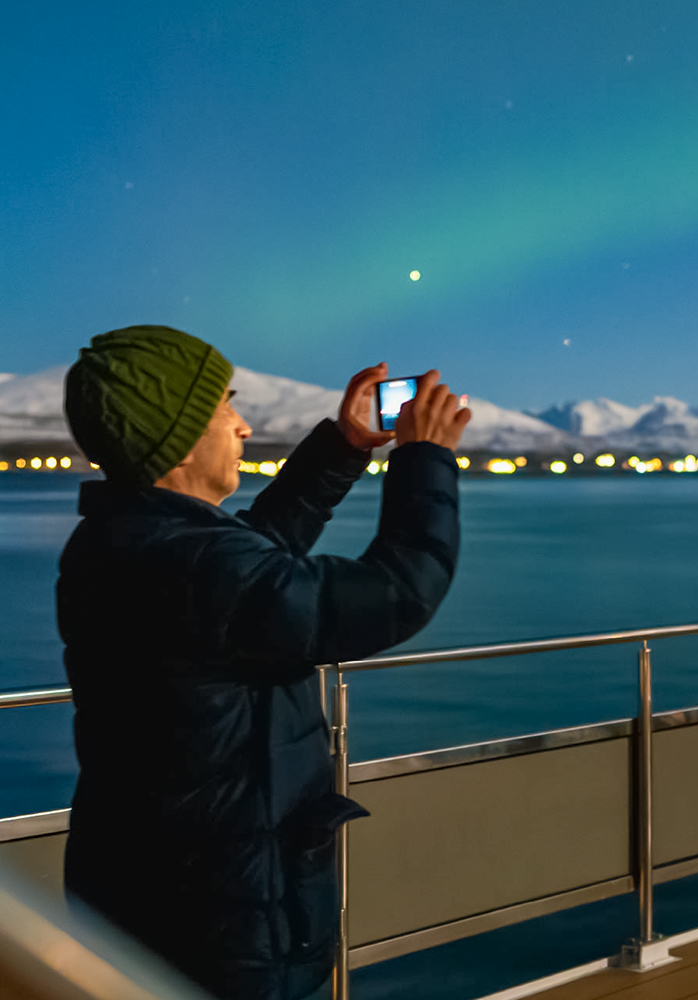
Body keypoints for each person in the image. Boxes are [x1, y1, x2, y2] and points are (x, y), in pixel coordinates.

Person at [56, 325, 472, 1000]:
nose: (244, 427)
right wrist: (423, 459)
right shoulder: (198, 563)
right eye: (226, 406)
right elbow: (395, 595)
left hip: (142, 884)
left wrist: (341, 450)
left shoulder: (119, 539)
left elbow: (254, 560)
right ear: (181, 433)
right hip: (225, 912)